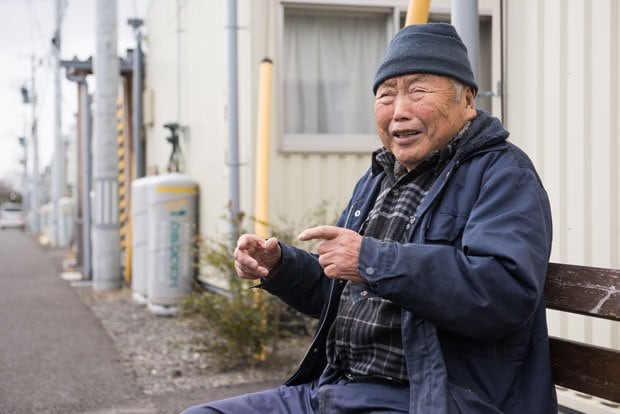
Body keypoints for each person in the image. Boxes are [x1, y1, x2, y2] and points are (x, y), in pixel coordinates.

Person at [182, 23, 557, 413]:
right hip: (337, 388)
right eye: (385, 95)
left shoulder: (503, 173)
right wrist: (279, 268)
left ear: (467, 101)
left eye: (418, 91)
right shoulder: (379, 178)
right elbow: (339, 290)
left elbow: (503, 294)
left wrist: (371, 260)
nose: (399, 112)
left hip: (433, 399)